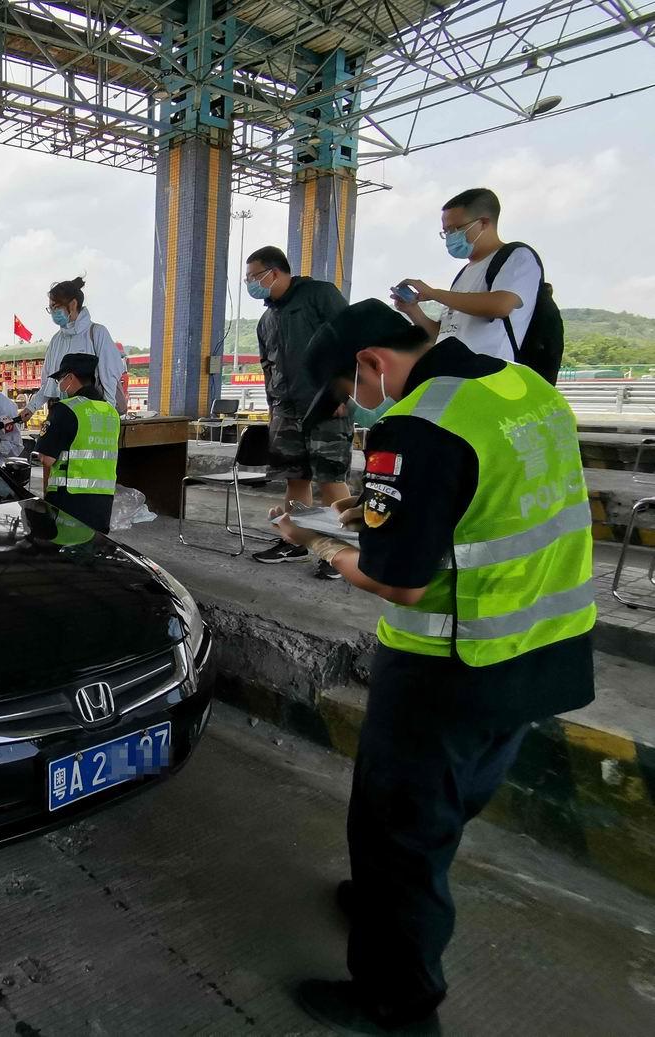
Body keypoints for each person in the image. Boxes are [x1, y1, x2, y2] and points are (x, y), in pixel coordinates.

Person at [276, 299, 595, 1034]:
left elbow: (400, 580)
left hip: (451, 662)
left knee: (400, 828)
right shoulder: (525, 390)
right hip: (543, 647)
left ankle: (397, 1000)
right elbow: (482, 501)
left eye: (347, 391)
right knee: (442, 806)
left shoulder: (415, 424)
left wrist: (315, 541)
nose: (353, 408)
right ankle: (387, 904)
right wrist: (371, 508)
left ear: (374, 364)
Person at [244, 246, 351, 578]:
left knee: (331, 479)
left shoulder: (320, 295)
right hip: (286, 410)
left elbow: (349, 341)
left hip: (326, 406)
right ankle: (295, 542)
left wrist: (342, 391)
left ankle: (340, 549)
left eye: (253, 277)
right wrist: (273, 406)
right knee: (294, 478)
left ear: (274, 272)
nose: (251, 284)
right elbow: (267, 366)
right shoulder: (267, 319)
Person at [394, 188, 541, 362]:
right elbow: (444, 336)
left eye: (455, 229)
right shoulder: (463, 275)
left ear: (484, 223)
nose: (450, 237)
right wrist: (413, 311)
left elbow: (501, 305)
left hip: (489, 376)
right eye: (446, 231)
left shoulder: (517, 256)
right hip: (454, 373)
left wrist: (434, 293)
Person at [18, 276, 126, 421]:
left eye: (56, 307)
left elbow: (109, 379)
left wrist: (107, 416)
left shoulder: (96, 333)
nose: (53, 313)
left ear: (73, 304)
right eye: (51, 308)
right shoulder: (56, 340)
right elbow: (49, 383)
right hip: (62, 413)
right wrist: (31, 408)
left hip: (91, 415)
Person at [35, 353, 120, 534]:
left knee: (67, 552)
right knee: (93, 551)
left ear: (70, 377)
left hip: (69, 501)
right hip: (103, 503)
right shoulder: (110, 412)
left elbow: (46, 459)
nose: (60, 384)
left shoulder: (65, 409)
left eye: (60, 379)